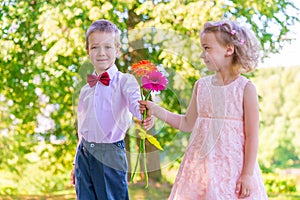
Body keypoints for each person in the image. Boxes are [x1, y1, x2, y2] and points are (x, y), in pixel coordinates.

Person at [140, 20, 268, 199]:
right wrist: (156, 109)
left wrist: (246, 175)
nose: (202, 55)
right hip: (202, 170)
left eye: (207, 48)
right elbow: (186, 123)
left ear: (229, 49)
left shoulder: (245, 88)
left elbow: (252, 136)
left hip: (232, 170)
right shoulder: (201, 86)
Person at [71, 19, 153, 200]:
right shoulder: (86, 90)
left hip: (110, 154)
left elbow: (137, 106)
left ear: (117, 50)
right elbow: (83, 128)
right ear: (88, 51)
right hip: (83, 154)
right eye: (95, 47)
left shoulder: (125, 81)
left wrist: (146, 113)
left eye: (108, 47)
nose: (101, 53)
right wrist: (76, 162)